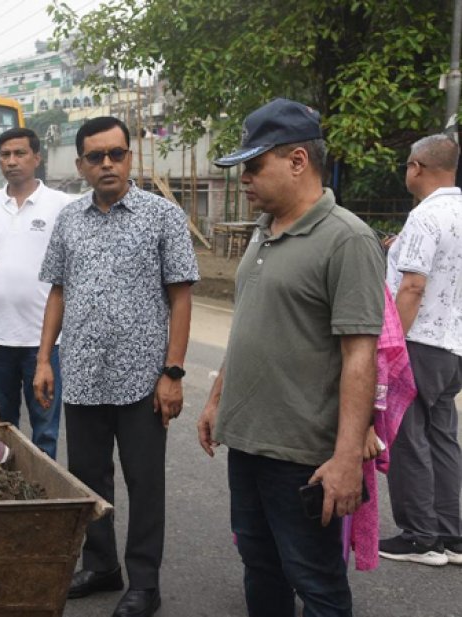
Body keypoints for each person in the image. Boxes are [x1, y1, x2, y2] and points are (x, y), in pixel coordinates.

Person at [197, 98, 385, 617]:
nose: (244, 180)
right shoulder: (264, 231)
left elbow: (359, 357)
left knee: (316, 581)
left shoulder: (346, 239)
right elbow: (250, 328)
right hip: (249, 443)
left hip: (302, 456)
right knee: (260, 568)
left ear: (298, 160)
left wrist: (347, 458)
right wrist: (217, 399)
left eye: (254, 166)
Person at [33, 117, 197, 617]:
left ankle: (145, 582)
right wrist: (44, 358)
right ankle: (101, 563)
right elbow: (58, 290)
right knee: (87, 478)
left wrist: (173, 373)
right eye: (96, 156)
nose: (107, 164)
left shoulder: (162, 217)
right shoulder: (69, 219)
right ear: (81, 164)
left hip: (143, 381)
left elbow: (182, 297)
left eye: (116, 154)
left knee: (145, 482)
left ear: (129, 157)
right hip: (82, 375)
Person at [380, 133, 462, 567]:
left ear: (416, 167)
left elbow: (413, 285)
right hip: (454, 349)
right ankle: (453, 535)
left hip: (418, 342)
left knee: (408, 437)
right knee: (443, 436)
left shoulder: (425, 217)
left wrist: (390, 346)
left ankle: (420, 537)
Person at [0, 127, 70, 458]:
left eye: (20, 153)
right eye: (5, 155)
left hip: (44, 344)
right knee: (0, 426)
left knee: (45, 430)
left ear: (36, 158)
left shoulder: (61, 205)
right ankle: (6, 495)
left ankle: (44, 498)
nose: (12, 161)